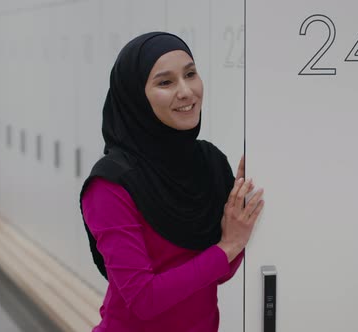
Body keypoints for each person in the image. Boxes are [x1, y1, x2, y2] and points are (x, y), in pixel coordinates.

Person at [80, 31, 264, 332]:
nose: (186, 91)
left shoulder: (209, 162)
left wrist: (239, 219)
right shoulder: (111, 184)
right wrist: (229, 245)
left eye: (190, 74)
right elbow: (143, 299)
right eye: (165, 82)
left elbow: (220, 272)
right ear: (135, 96)